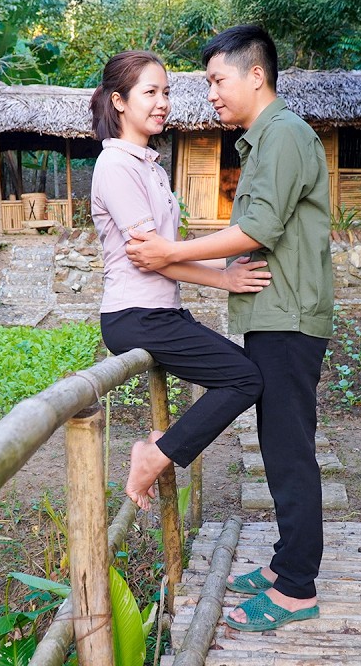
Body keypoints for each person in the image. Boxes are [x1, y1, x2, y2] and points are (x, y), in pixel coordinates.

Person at [124, 25, 332, 632]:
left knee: (290, 450)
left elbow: (258, 231)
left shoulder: (285, 135)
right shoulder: (262, 142)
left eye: (218, 80)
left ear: (255, 75)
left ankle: (297, 589)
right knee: (277, 445)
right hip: (275, 313)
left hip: (289, 317)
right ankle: (285, 564)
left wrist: (168, 253)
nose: (211, 93)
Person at [89, 50, 271, 515]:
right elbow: (154, 258)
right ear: (120, 102)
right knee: (246, 378)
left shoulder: (147, 163)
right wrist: (225, 279)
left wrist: (221, 274)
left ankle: (160, 446)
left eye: (165, 92)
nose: (162, 102)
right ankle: (155, 453)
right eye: (150, 92)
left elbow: (168, 250)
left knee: (246, 373)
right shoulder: (116, 166)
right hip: (135, 315)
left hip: (160, 313)